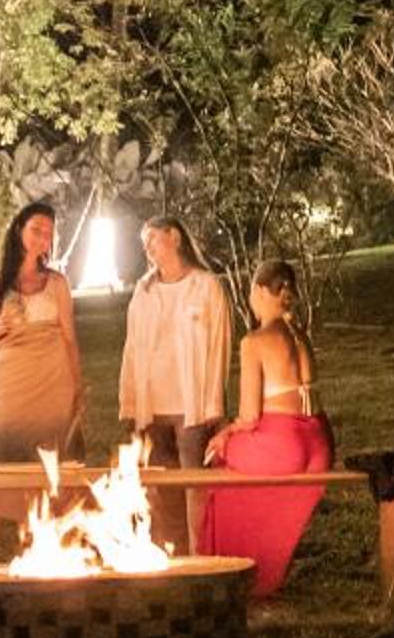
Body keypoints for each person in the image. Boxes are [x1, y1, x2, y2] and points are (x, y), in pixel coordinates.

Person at [198, 260, 334, 598]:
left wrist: (225, 434)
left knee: (220, 461)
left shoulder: (254, 342)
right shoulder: (301, 335)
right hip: (320, 442)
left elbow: (249, 417)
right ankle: (264, 564)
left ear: (259, 291)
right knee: (248, 476)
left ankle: (230, 572)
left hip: (284, 443)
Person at [0, 200, 86, 562]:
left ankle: (51, 552)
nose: (42, 237)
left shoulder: (57, 282)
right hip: (11, 383)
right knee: (1, 465)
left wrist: (77, 387)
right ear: (19, 229)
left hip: (53, 381)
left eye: (48, 233)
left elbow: (69, 337)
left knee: (53, 466)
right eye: (36, 229)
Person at [117, 217, 231, 554]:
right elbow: (132, 347)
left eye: (153, 238)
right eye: (144, 242)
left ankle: (199, 554)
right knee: (162, 486)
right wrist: (130, 401)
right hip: (153, 404)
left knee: (193, 483)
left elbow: (219, 346)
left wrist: (214, 406)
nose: (147, 247)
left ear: (175, 237)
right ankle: (170, 552)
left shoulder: (205, 286)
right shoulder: (144, 291)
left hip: (191, 405)